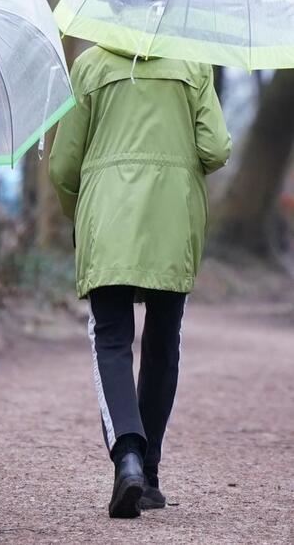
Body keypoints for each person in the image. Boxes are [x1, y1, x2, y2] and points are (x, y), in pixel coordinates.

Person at [49, 44, 231, 518]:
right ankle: (148, 475)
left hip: (108, 219)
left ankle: (127, 457)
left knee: (111, 339)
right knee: (163, 341)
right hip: (173, 219)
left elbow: (64, 165)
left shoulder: (90, 66)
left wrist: (79, 215)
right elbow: (215, 149)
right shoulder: (193, 62)